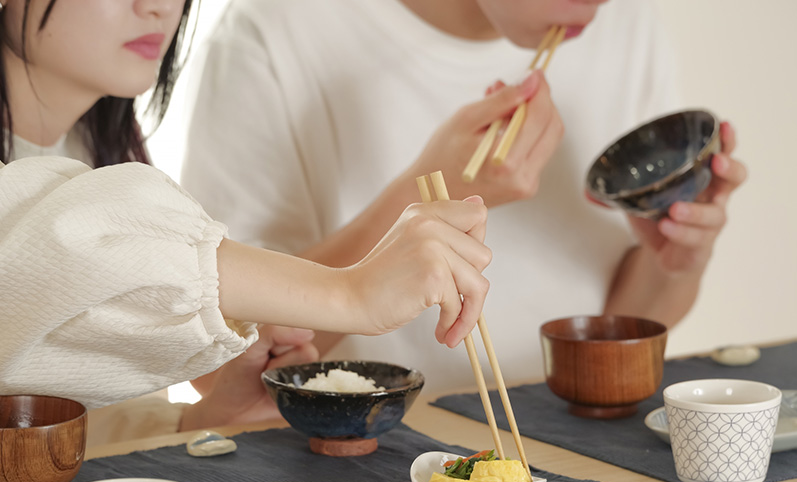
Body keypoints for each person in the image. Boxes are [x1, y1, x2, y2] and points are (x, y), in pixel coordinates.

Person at [181, 0, 748, 393]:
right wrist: (425, 195)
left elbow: (630, 321)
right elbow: (213, 368)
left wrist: (671, 262)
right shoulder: (273, 32)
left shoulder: (624, 21)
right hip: (366, 468)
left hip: (572, 441)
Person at [0, 0, 491, 440]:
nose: (158, 8)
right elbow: (63, 256)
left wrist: (202, 420)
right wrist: (350, 293)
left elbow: (50, 416)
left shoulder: (98, 150)